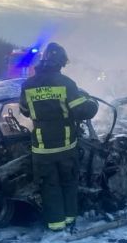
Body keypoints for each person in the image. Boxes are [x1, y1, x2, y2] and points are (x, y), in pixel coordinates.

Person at [19, 42, 98, 233]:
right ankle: (70, 219)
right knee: (69, 182)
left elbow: (24, 111)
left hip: (41, 148)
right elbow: (82, 110)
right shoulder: (66, 83)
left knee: (49, 185)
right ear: (61, 62)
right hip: (65, 146)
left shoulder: (28, 84)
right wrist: (93, 102)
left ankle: (55, 224)